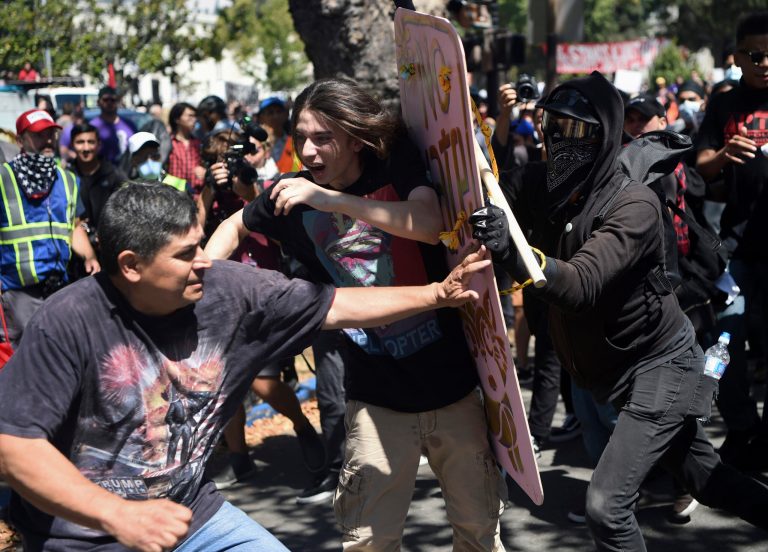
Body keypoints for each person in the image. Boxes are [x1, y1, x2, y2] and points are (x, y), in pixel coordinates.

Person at [0, 181, 489, 552]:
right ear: (130, 266)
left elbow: (336, 304)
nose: (206, 261)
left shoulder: (230, 291)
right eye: (187, 253)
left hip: (193, 514)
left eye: (201, 242)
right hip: (83, 536)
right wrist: (116, 515)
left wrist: (437, 294)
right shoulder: (65, 321)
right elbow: (13, 446)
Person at [470, 70, 768, 551]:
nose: (561, 141)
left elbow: (582, 283)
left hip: (660, 366)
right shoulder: (550, 184)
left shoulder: (635, 205)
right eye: (554, 127)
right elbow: (489, 188)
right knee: (705, 478)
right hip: (612, 371)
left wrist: (514, 252)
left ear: (605, 136)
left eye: (577, 131)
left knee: (606, 508)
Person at [206, 77, 507, 548]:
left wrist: (328, 200)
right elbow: (234, 224)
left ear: (354, 136)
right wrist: (204, 280)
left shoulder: (396, 162)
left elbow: (429, 225)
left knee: (478, 533)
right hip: (374, 398)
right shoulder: (292, 194)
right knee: (367, 539)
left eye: (322, 138)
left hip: (453, 389)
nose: (306, 151)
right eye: (300, 136)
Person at [695, 11, 768, 472]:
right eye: (756, 54)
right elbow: (698, 163)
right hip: (737, 249)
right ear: (738, 57)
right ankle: (742, 429)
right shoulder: (722, 105)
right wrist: (723, 155)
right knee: (722, 345)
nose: (765, 63)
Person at [0, 110, 100, 347]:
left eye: (50, 134)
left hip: (58, 287)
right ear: (20, 140)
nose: (47, 140)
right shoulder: (4, 178)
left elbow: (74, 226)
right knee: (21, 359)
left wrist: (89, 256)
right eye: (39, 135)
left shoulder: (67, 179)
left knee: (57, 352)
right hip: (16, 291)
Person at [69, 122, 127, 249]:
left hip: (111, 246)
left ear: (99, 144)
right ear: (72, 145)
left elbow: (126, 211)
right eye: (80, 142)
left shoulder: (114, 175)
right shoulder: (66, 178)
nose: (86, 148)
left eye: (91, 142)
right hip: (77, 248)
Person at [167, 102, 206, 196]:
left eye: (195, 116)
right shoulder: (168, 143)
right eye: (190, 116)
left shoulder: (199, 143)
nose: (194, 119)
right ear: (177, 119)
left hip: (197, 196)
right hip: (175, 196)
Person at [257, 97, 301, 173]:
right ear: (261, 117)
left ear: (286, 114)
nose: (275, 116)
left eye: (279, 111)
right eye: (270, 112)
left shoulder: (295, 143)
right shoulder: (255, 144)